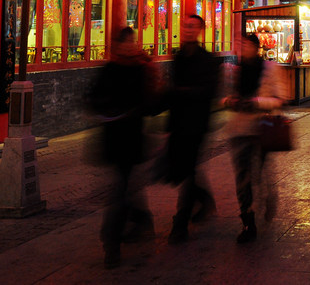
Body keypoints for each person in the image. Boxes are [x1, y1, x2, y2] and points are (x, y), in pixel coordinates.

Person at [88, 27, 156, 268]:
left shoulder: (140, 69)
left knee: (121, 189)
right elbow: (92, 98)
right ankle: (136, 222)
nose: (130, 46)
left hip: (132, 138)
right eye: (126, 42)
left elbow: (148, 102)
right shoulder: (109, 70)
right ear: (117, 44)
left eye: (133, 42)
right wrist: (107, 110)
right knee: (122, 187)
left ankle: (113, 239)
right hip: (113, 138)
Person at [222, 34, 288, 243]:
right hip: (239, 129)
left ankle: (266, 195)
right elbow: (223, 97)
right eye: (240, 44)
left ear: (256, 47)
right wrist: (230, 101)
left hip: (262, 129)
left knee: (259, 173)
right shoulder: (233, 70)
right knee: (243, 177)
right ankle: (248, 220)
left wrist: (257, 102)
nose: (243, 48)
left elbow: (281, 98)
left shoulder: (270, 68)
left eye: (247, 44)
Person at [165, 14, 220, 244]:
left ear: (200, 30)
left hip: (197, 123)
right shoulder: (178, 57)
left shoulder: (207, 60)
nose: (188, 30)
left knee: (187, 172)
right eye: (185, 26)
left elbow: (208, 92)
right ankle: (204, 199)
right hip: (178, 123)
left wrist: (182, 92)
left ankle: (180, 222)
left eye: (192, 26)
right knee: (183, 170)